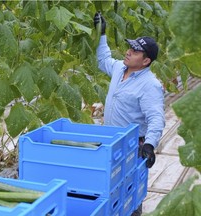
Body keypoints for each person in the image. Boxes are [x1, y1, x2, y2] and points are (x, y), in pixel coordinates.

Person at [93, 12, 165, 216]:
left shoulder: (150, 85)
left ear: (146, 61)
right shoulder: (119, 68)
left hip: (133, 146)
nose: (128, 52)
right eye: (130, 48)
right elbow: (103, 59)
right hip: (111, 142)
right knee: (112, 187)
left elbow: (156, 118)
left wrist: (150, 145)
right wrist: (102, 34)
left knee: (130, 192)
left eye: (135, 51)